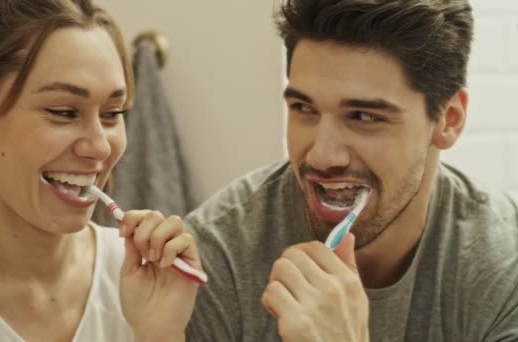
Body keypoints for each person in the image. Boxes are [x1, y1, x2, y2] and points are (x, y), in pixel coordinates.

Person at [184, 0, 518, 341]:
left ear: (449, 120)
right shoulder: (218, 253)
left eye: (363, 116)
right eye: (304, 108)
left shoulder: (506, 265)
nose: (322, 155)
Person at [0, 1, 201, 341]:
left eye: (112, 113)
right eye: (63, 112)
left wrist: (159, 331)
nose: (101, 147)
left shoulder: (147, 280)